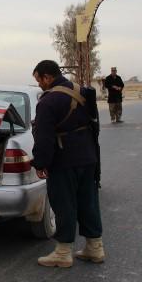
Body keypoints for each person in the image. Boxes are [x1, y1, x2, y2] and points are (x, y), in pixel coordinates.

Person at [31, 60, 103, 268]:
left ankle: (63, 253)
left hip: (64, 161)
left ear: (47, 77)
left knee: (64, 205)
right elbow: (93, 125)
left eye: (39, 80)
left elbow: (44, 138)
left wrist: (40, 163)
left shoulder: (47, 102)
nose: (39, 85)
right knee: (88, 202)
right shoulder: (82, 91)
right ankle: (94, 247)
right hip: (88, 157)